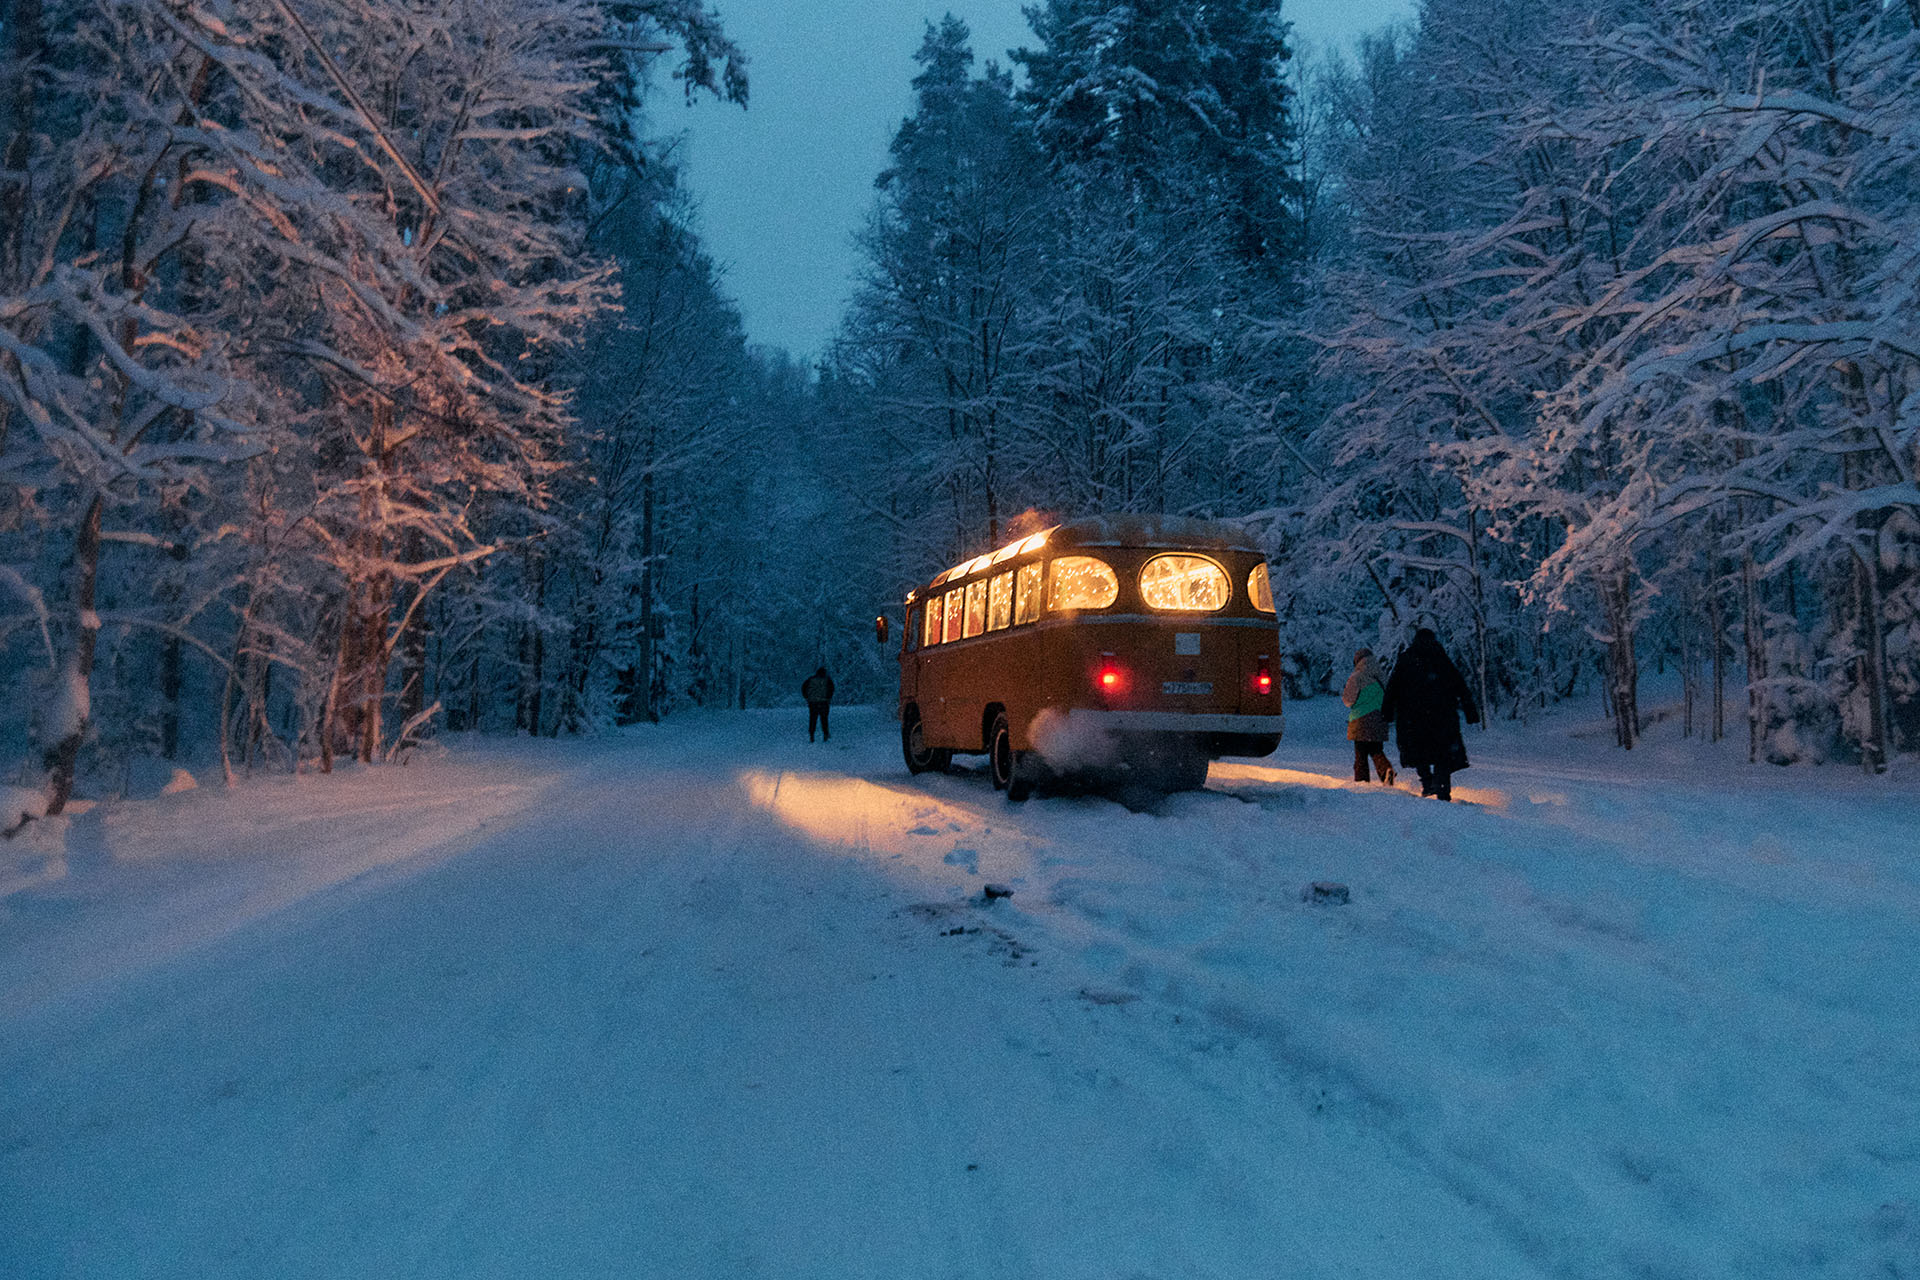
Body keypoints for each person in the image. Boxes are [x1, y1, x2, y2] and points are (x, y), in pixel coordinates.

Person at [1381, 627, 1480, 801]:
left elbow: (1392, 688)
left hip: (1413, 718)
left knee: (1419, 751)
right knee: (1442, 753)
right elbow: (1460, 685)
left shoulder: (1406, 660)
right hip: (1442, 717)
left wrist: (1387, 713)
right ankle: (1442, 789)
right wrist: (1470, 710)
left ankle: (1427, 783)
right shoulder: (1441, 659)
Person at [1341, 648, 1395, 785]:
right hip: (1379, 718)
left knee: (1360, 754)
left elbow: (1348, 700)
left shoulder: (1356, 677)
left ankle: (1362, 783)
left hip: (1360, 720)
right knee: (1376, 749)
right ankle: (1386, 770)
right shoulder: (1382, 676)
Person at [801, 666, 835, 742]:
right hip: (824, 702)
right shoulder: (827, 680)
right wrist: (828, 698)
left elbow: (803, 688)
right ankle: (825, 734)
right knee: (824, 719)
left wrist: (807, 697)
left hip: (813, 702)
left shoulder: (811, 679)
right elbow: (832, 689)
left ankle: (812, 735)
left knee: (813, 719)